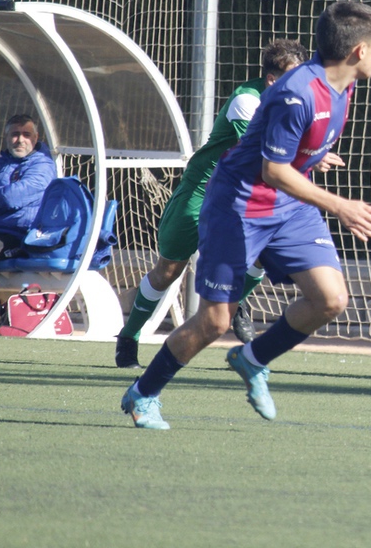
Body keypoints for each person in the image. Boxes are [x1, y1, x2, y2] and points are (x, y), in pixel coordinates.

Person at [120, 1, 371, 429]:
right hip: (239, 205)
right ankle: (143, 394)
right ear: (358, 51)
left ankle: (252, 358)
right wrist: (340, 206)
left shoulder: (345, 84)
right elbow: (273, 170)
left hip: (289, 206)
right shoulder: (297, 93)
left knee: (331, 299)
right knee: (214, 320)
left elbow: (290, 161)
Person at [115, 39, 311, 368]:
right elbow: (268, 152)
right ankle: (129, 337)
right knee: (168, 271)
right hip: (204, 189)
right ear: (272, 80)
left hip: (246, 195)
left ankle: (237, 303)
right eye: (295, 76)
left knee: (265, 252)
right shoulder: (246, 101)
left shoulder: (297, 101)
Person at [0, 114, 57, 333]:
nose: (20, 140)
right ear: (6, 137)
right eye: (15, 134)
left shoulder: (43, 166)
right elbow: (7, 196)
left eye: (26, 135)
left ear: (35, 138)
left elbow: (13, 197)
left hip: (22, 235)